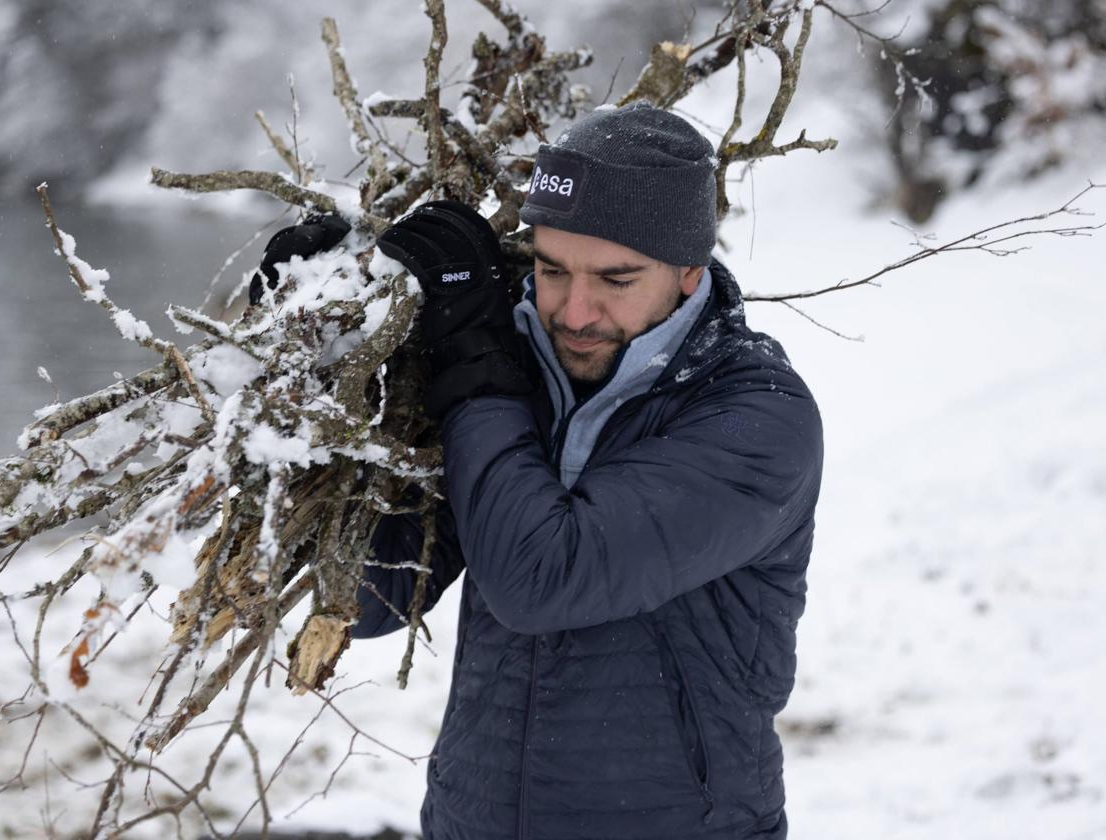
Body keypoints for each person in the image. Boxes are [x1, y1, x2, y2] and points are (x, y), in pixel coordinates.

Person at [255, 102, 824, 840]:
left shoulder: (754, 418)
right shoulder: (526, 366)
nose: (575, 311)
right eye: (553, 270)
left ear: (690, 273)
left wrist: (477, 363)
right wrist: (323, 349)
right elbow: (377, 595)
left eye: (615, 279)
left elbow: (539, 578)